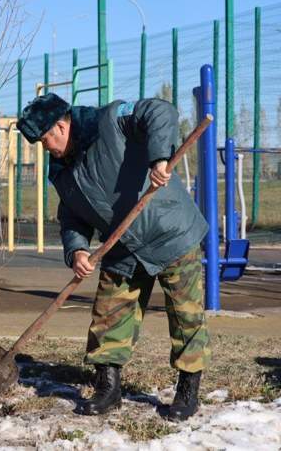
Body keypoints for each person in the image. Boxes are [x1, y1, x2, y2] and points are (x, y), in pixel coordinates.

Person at [17, 93, 211, 422]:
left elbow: (159, 110)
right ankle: (108, 388)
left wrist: (159, 157)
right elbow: (71, 216)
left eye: (46, 139)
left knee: (185, 315)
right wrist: (77, 249)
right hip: (121, 247)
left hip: (170, 232)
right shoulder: (61, 172)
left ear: (62, 126)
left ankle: (188, 390)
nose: (45, 147)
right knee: (109, 314)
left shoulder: (110, 121)